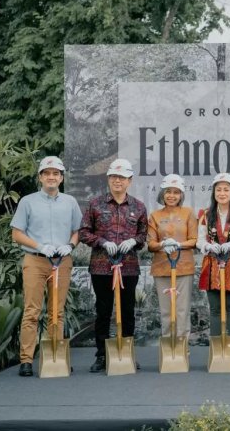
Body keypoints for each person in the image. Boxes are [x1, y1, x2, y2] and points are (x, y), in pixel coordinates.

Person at [11, 156, 82, 377]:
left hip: (62, 261)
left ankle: (55, 357)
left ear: (61, 178)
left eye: (56, 174)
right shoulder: (28, 201)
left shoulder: (70, 202)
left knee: (57, 312)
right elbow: (17, 234)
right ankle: (26, 360)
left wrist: (71, 245)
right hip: (35, 260)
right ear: (40, 177)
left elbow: (77, 230)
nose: (51, 177)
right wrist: (40, 245)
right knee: (32, 311)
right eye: (47, 173)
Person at [79, 158, 148, 373]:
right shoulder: (95, 204)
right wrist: (102, 242)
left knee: (127, 311)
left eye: (122, 177)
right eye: (114, 177)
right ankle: (101, 355)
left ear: (130, 180)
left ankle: (127, 353)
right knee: (103, 311)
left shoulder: (138, 206)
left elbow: (143, 234)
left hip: (128, 267)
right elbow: (83, 232)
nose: (117, 181)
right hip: (101, 266)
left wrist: (133, 241)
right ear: (109, 179)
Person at [196, 173, 230, 346]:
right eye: (218, 189)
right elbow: (199, 240)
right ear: (213, 192)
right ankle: (216, 352)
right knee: (215, 310)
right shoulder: (205, 214)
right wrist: (207, 246)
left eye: (226, 189)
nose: (222, 193)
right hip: (212, 263)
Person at [147, 174, 198, 340]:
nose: (171, 195)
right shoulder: (155, 215)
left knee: (182, 309)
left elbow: (194, 240)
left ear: (181, 195)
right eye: (168, 191)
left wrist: (178, 244)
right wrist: (163, 245)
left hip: (183, 266)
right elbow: (151, 244)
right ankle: (169, 345)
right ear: (162, 193)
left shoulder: (188, 213)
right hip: (161, 267)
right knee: (166, 310)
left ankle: (182, 345)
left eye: (176, 192)